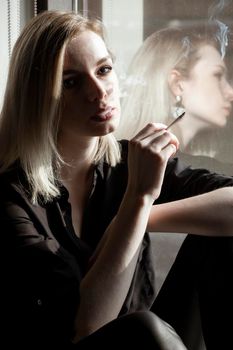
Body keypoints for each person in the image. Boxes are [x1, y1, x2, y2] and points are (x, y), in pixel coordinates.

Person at [1, 10, 233, 350]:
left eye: (104, 70)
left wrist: (139, 218)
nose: (99, 92)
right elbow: (89, 325)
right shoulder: (12, 198)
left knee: (220, 236)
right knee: (144, 330)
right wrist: (137, 200)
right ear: (39, 97)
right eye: (71, 81)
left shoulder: (128, 163)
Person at [116, 24, 233, 174]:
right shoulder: (156, 166)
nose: (230, 92)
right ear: (177, 84)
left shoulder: (167, 160)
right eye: (217, 76)